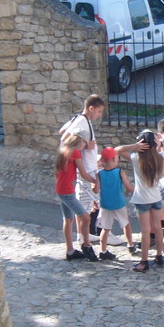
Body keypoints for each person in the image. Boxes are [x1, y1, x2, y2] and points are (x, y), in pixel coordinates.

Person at [59, 95, 105, 237]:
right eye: (98, 111)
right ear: (91, 108)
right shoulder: (81, 121)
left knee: (88, 205)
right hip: (87, 169)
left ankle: (84, 235)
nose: (99, 115)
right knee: (101, 203)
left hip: (90, 166)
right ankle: (100, 234)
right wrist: (85, 146)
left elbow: (62, 131)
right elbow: (64, 139)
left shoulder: (79, 119)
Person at [55, 134, 100, 262]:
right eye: (84, 143)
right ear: (80, 142)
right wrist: (96, 180)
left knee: (68, 219)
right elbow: (83, 173)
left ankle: (70, 251)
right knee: (85, 218)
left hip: (61, 189)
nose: (85, 146)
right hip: (67, 191)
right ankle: (86, 245)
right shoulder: (75, 152)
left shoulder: (64, 150)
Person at [130, 129, 164, 273]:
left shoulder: (136, 158)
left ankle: (144, 261)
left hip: (142, 199)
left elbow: (117, 150)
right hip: (156, 198)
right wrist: (159, 145)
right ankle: (159, 255)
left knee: (145, 231)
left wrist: (134, 147)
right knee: (158, 228)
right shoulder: (160, 157)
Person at [95, 147, 136, 260]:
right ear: (113, 159)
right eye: (117, 158)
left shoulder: (99, 174)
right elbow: (129, 188)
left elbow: (96, 190)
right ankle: (130, 245)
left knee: (105, 229)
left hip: (105, 205)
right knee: (126, 225)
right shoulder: (119, 172)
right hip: (118, 204)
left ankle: (103, 251)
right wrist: (137, 190)